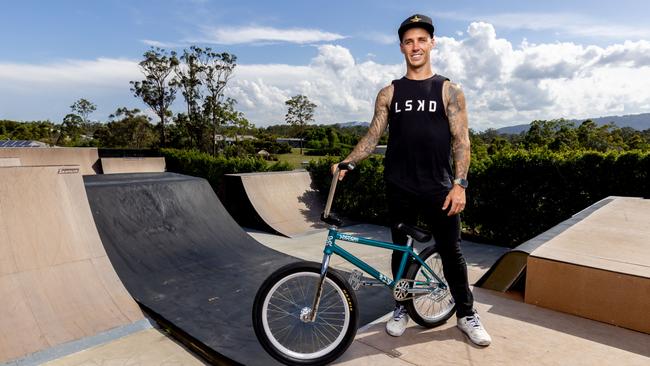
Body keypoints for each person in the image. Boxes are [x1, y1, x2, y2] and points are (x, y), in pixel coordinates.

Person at [331, 14, 491, 346]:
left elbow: (462, 141)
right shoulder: (389, 93)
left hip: (440, 187)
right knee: (399, 250)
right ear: (401, 47)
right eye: (408, 41)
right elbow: (372, 136)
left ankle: (465, 314)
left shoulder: (449, 90)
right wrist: (348, 161)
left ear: (432, 43)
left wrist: (460, 184)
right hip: (400, 185)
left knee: (452, 252)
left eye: (421, 40)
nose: (415, 46)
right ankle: (401, 307)